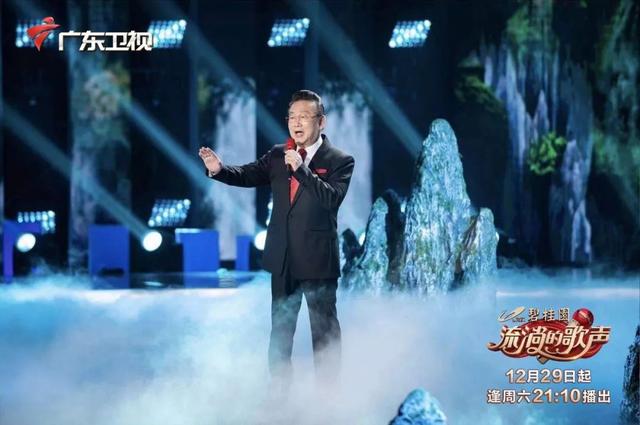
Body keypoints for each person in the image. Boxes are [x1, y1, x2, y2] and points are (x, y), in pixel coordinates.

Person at [198, 89, 355, 385]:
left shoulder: (340, 160)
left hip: (317, 260)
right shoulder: (277, 155)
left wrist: (302, 170)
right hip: (282, 260)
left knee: (324, 331)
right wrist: (219, 170)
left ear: (321, 122)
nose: (297, 123)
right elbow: (247, 174)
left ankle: (329, 396)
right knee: (281, 332)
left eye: (304, 116)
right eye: (292, 117)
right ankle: (280, 393)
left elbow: (331, 198)